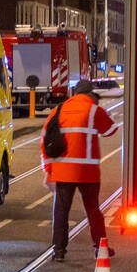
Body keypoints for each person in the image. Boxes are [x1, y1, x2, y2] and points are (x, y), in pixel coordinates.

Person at [40, 79, 119, 261]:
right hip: (87, 171)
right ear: (90, 94)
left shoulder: (57, 111)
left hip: (62, 171)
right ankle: (100, 248)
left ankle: (59, 251)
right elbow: (111, 130)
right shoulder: (93, 110)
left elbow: (45, 140)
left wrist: (48, 169)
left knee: (61, 211)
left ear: (74, 94)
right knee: (93, 210)